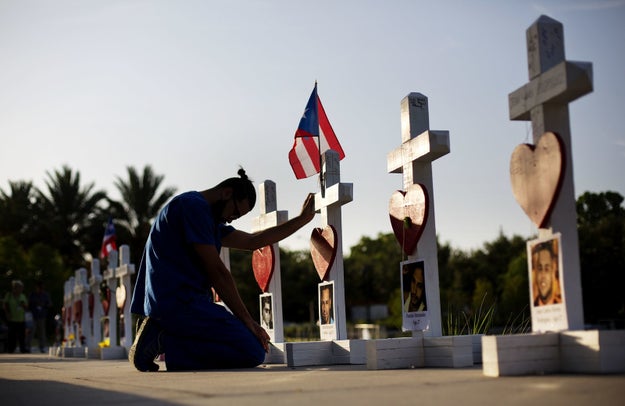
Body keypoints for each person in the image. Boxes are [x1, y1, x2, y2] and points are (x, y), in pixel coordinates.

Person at [129, 168, 316, 371]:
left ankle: (162, 339)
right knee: (252, 351)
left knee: (251, 348)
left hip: (185, 303)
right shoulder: (193, 207)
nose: (231, 219)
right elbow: (218, 272)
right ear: (227, 193)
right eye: (235, 212)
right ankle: (162, 338)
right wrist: (248, 321)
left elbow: (254, 241)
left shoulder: (208, 219)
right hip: (178, 302)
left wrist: (301, 220)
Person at [532, 241, 562, 306]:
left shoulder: (563, 305)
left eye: (547, 269)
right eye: (539, 269)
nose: (543, 276)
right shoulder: (531, 307)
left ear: (553, 270)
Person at [3, 280, 29, 353]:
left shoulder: (22, 296)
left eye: (21, 288)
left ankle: (22, 349)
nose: (21, 289)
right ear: (15, 288)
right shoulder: (9, 295)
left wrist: (23, 305)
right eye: (19, 287)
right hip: (12, 319)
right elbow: (5, 305)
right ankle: (10, 349)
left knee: (22, 336)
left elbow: (26, 307)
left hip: (21, 319)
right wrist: (7, 314)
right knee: (11, 335)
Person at [29, 281, 52, 353]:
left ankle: (42, 347)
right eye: (39, 287)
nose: (41, 289)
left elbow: (50, 304)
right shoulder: (33, 295)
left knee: (42, 332)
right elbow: (29, 304)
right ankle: (27, 346)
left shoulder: (45, 295)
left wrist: (44, 305)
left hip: (42, 316)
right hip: (33, 315)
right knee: (31, 331)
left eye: (42, 288)